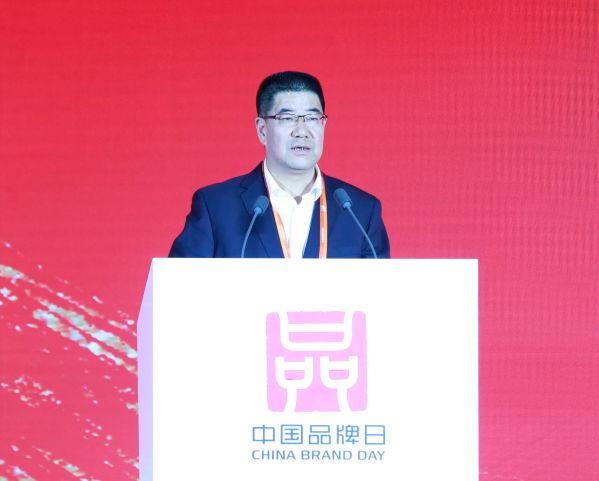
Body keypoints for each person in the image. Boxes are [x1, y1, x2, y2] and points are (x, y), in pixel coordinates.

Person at [169, 71, 390, 258]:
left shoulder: (360, 211)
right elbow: (178, 288)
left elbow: (381, 292)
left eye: (312, 118)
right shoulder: (216, 207)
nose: (302, 131)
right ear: (262, 130)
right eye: (287, 118)